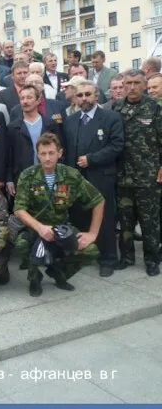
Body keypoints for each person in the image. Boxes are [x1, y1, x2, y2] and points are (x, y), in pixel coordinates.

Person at [13, 133, 104, 297]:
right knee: (21, 244)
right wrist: (40, 228)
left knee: (91, 250)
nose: (47, 158)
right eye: (43, 154)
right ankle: (34, 278)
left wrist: (93, 233)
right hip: (35, 228)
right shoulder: (27, 175)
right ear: (37, 154)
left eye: (51, 153)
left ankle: (58, 273)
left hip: (62, 227)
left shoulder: (71, 175)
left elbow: (98, 200)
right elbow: (19, 209)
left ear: (60, 153)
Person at [63, 80, 124, 277]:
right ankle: (86, 253)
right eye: (80, 95)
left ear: (96, 96)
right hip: (77, 179)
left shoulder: (110, 117)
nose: (84, 99)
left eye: (88, 94)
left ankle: (108, 259)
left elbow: (116, 145)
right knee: (80, 216)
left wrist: (91, 159)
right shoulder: (70, 121)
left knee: (104, 219)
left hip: (101, 176)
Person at [114, 69, 162, 275]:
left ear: (144, 85)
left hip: (148, 176)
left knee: (149, 220)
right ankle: (127, 256)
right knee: (125, 220)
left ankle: (152, 260)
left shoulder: (155, 109)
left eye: (136, 83)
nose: (132, 87)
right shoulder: (117, 109)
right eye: (128, 83)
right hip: (123, 176)